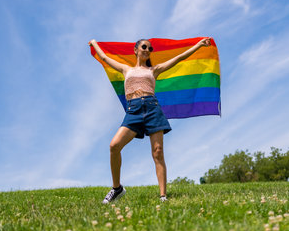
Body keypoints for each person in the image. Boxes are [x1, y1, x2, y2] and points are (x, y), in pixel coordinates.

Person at [89, 37, 211, 204]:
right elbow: (104, 58)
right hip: (134, 110)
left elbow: (179, 58)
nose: (148, 50)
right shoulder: (126, 69)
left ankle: (163, 197)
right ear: (136, 50)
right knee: (114, 146)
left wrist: (198, 45)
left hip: (152, 108)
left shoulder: (154, 70)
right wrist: (95, 43)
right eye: (144, 47)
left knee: (158, 152)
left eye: (150, 48)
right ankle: (117, 189)